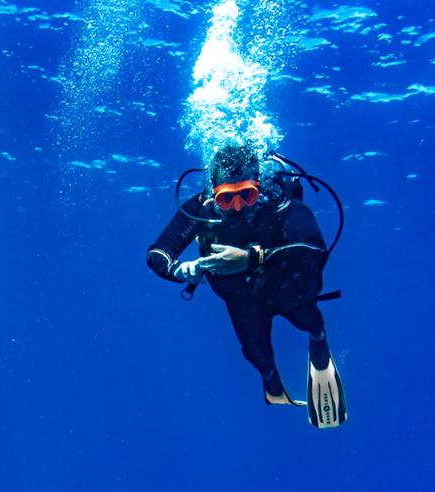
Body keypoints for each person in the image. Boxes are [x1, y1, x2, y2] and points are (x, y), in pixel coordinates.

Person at [146, 141, 347, 428]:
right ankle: (272, 383)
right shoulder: (203, 208)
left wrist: (253, 257)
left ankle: (318, 340)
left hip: (287, 287)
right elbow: (157, 253)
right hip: (242, 298)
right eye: (227, 199)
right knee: (257, 355)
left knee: (309, 321)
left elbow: (313, 250)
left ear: (260, 186)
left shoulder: (279, 203)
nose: (238, 207)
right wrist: (179, 270)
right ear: (214, 193)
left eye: (247, 195)